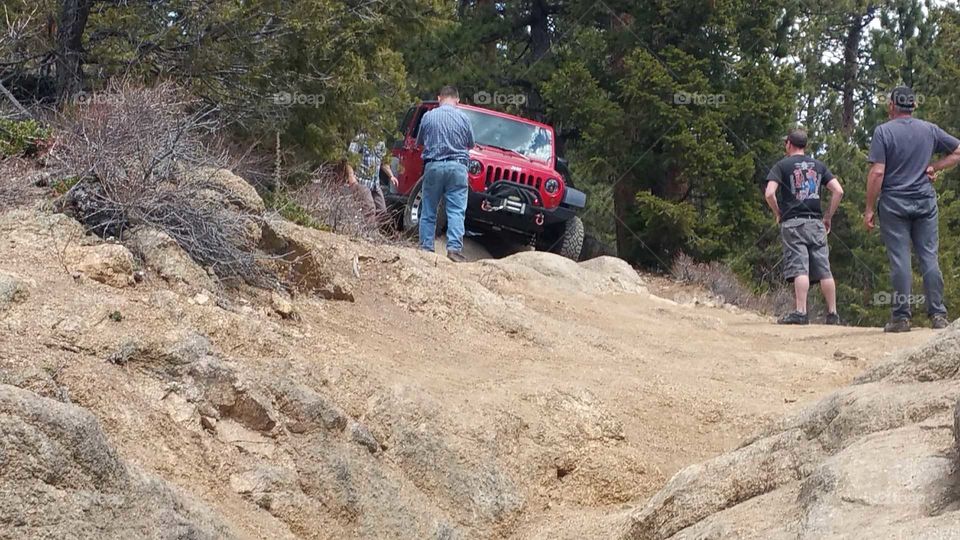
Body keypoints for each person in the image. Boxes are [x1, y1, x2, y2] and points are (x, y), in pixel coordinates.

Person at [865, 86, 960, 332]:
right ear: (913, 106)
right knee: (929, 255)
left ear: (891, 106)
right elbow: (958, 151)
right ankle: (938, 315)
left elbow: (877, 172)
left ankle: (901, 318)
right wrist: (935, 167)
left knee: (900, 259)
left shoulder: (883, 132)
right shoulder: (929, 129)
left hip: (894, 203)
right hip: (924, 201)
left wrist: (868, 208)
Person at [764, 128, 844, 325]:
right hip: (816, 222)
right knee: (824, 269)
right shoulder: (818, 165)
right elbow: (838, 191)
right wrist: (828, 216)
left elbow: (769, 193)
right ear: (805, 146)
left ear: (789, 144)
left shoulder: (782, 166)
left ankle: (801, 312)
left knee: (800, 267)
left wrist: (778, 212)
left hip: (793, 223)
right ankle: (833, 313)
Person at [415, 85, 475, 262]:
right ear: (457, 100)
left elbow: (420, 141)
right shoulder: (464, 118)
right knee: (456, 210)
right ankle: (454, 250)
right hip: (457, 167)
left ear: (439, 98)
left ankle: (426, 247)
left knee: (428, 209)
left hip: (433, 165)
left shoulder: (428, 116)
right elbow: (470, 143)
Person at [346, 134, 398, 221]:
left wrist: (391, 176)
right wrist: (351, 176)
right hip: (361, 181)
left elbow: (384, 162)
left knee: (382, 211)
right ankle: (368, 232)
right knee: (369, 209)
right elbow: (350, 159)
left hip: (375, 184)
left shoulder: (381, 142)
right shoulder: (359, 139)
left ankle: (375, 231)